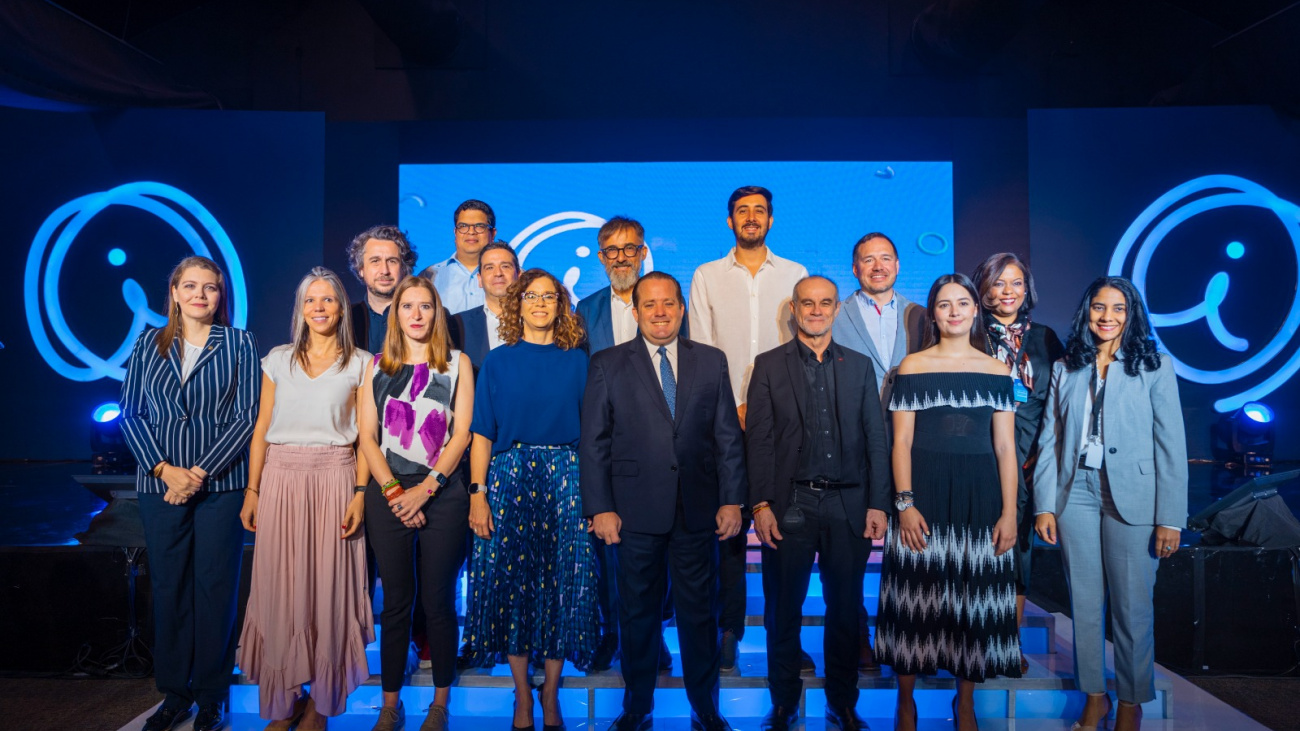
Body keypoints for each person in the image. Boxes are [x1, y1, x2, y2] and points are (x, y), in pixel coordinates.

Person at [582, 271, 747, 731]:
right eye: (650, 304)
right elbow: (593, 443)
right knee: (637, 618)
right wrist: (601, 507)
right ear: (635, 311)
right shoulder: (607, 363)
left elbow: (727, 439)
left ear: (681, 309)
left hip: (698, 512)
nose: (660, 312)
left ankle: (706, 709)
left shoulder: (711, 361)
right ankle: (636, 708)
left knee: (700, 615)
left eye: (669, 304)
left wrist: (733, 500)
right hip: (631, 513)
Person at [1032, 276, 1187, 731]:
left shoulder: (1154, 365)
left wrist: (1170, 519)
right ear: (1087, 312)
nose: (1107, 317)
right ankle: (1094, 698)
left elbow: (1171, 447)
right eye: (1099, 308)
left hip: (1136, 498)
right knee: (1084, 603)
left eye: (1118, 309)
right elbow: (1050, 441)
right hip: (1075, 491)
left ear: (1131, 314)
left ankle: (1132, 702)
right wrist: (1044, 504)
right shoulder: (1068, 366)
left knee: (1132, 607)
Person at [119, 255, 260, 731]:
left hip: (219, 485)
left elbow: (245, 418)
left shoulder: (239, 344)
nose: (201, 294)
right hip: (159, 484)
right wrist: (164, 469)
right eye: (192, 286)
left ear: (222, 296)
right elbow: (130, 414)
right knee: (169, 588)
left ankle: (212, 696)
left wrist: (196, 473)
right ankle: (175, 695)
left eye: (211, 288)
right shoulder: (146, 344)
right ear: (175, 292)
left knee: (216, 591)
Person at [745, 276, 891, 731]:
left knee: (845, 609)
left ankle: (842, 702)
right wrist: (760, 504)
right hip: (791, 504)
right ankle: (784, 702)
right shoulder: (767, 365)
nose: (816, 310)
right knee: (782, 609)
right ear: (794, 308)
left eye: (825, 302)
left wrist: (879, 503)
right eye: (807, 303)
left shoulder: (860, 366)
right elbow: (760, 441)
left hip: (849, 503)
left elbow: (876, 439)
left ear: (835, 309)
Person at [877, 273, 1021, 731]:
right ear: (933, 313)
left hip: (981, 497)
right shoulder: (912, 366)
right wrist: (905, 503)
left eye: (962, 303)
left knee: (971, 599)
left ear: (976, 310)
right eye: (944, 304)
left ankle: (966, 705)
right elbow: (900, 443)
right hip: (923, 495)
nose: (954, 311)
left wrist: (1010, 512)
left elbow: (1005, 448)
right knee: (913, 597)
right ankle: (905, 703)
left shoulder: (999, 371)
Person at [237, 267, 375, 729]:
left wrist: (360, 493)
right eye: (311, 300)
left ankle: (321, 703)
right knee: (280, 590)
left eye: (329, 300)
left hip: (335, 478)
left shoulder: (361, 363)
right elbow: (261, 430)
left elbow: (365, 441)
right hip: (280, 479)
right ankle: (282, 700)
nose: (319, 308)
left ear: (341, 308)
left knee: (329, 592)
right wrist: (253, 490)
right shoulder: (277, 359)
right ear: (300, 308)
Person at [463, 268, 599, 731]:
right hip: (508, 477)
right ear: (516, 304)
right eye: (531, 296)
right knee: (514, 589)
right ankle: (523, 694)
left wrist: (591, 498)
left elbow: (592, 438)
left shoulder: (579, 362)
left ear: (561, 306)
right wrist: (477, 494)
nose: (540, 303)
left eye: (549, 297)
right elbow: (481, 433)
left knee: (563, 584)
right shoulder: (497, 361)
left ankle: (551, 692)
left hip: (567, 477)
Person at [688, 185, 807, 673]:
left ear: (772, 221)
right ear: (730, 221)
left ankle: (786, 636)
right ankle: (728, 631)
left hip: (784, 423)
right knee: (728, 531)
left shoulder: (796, 275)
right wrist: (732, 403)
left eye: (760, 211)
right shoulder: (707, 276)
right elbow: (700, 347)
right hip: (723, 420)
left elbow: (802, 347)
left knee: (786, 532)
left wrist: (763, 406)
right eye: (743, 211)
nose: (751, 218)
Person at [357, 276, 474, 731]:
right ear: (396, 313)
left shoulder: (458, 363)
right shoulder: (377, 366)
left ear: (437, 312)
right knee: (396, 603)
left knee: (440, 600)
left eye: (426, 306)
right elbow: (367, 437)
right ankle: (391, 703)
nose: (417, 315)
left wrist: (425, 490)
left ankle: (440, 703)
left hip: (442, 492)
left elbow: (461, 433)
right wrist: (393, 493)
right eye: (408, 306)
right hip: (387, 491)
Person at [574, 215, 679, 672]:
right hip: (606, 449)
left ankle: (652, 636)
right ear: (601, 258)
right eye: (611, 251)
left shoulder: (666, 306)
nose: (621, 258)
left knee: (657, 555)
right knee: (608, 553)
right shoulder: (583, 311)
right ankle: (612, 634)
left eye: (629, 248)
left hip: (658, 450)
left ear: (642, 254)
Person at [832, 230, 928, 670]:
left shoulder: (921, 317)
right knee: (850, 557)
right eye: (867, 260)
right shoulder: (834, 314)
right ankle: (858, 634)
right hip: (852, 449)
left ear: (898, 265)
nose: (877, 266)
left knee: (913, 550)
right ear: (855, 268)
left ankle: (911, 637)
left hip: (912, 447)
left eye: (885, 258)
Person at [971, 252, 1065, 674]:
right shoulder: (969, 335)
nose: (1007, 292)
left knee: (1017, 557)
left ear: (1027, 289)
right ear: (983, 288)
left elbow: (1058, 409)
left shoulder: (1045, 339)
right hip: (976, 460)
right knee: (975, 556)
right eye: (998, 283)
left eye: (1016, 283)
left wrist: (1043, 463)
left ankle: (1007, 645)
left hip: (1027, 463)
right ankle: (971, 644)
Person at [346, 225, 419, 355]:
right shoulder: (346, 318)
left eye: (392, 261)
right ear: (361, 269)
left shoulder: (420, 317)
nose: (384, 270)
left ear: (404, 268)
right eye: (375, 261)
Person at [448, 240, 519, 370]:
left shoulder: (536, 321)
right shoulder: (457, 324)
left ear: (518, 275)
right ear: (480, 279)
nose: (498, 273)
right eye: (489, 267)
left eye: (505, 266)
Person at [421, 199, 497, 314]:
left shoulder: (511, 275)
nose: (471, 232)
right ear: (455, 232)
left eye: (479, 226)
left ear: (492, 233)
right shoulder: (430, 275)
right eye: (463, 226)